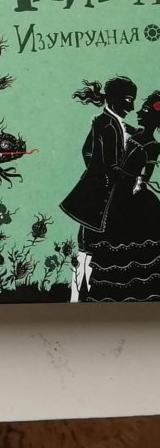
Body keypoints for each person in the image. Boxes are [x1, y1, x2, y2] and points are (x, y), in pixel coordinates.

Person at [60, 76, 137, 302]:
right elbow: (109, 164)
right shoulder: (106, 124)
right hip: (100, 198)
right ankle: (80, 298)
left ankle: (84, 297)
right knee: (90, 248)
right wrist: (110, 176)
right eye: (128, 100)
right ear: (114, 98)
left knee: (92, 247)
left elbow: (87, 151)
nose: (132, 107)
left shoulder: (111, 123)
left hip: (103, 196)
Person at [86, 92, 160, 301]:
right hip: (116, 194)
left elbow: (143, 177)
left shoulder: (153, 145)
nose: (139, 112)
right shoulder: (129, 132)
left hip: (133, 201)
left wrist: (120, 176)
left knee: (133, 253)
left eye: (145, 110)